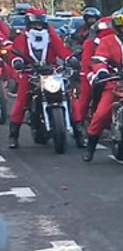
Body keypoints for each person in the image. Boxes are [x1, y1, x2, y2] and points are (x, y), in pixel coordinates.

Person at [82, 9, 123, 162]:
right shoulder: (108, 41)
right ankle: (90, 146)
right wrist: (102, 72)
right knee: (100, 115)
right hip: (114, 83)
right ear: (118, 29)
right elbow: (99, 59)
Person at [8, 9, 72, 149]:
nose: (38, 28)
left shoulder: (52, 38)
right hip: (30, 73)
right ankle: (14, 135)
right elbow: (15, 53)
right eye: (35, 25)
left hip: (51, 72)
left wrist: (70, 59)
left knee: (67, 95)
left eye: (40, 25)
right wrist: (18, 62)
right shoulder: (22, 38)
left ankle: (78, 130)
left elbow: (62, 50)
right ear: (29, 25)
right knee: (21, 101)